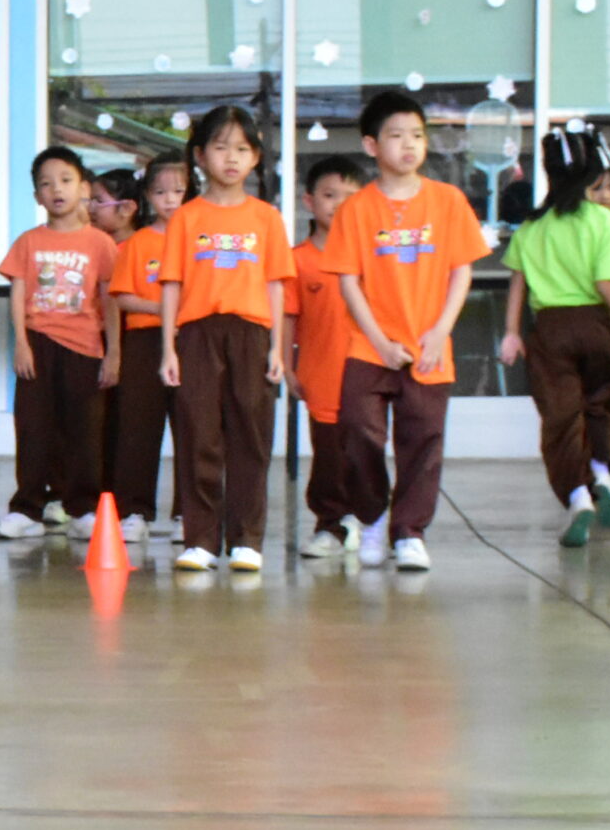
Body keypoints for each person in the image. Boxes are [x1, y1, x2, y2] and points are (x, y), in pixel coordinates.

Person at [328, 89, 489, 573]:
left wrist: (440, 332)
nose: (409, 145)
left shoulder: (448, 201)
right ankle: (372, 517)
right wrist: (379, 341)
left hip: (428, 345)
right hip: (369, 345)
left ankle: (409, 533)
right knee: (358, 432)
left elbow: (462, 271)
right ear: (372, 145)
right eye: (396, 136)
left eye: (417, 135)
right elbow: (348, 281)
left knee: (423, 442)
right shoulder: (356, 209)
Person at [158, 106, 292, 574]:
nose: (231, 158)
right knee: (199, 435)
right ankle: (200, 540)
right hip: (197, 333)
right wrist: (168, 347)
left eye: (242, 149)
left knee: (251, 436)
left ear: (255, 157)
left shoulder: (267, 218)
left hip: (252, 333)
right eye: (220, 147)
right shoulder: (186, 218)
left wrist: (277, 347)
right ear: (199, 156)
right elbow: (171, 284)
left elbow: (276, 284)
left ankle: (246, 540)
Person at [500, 123, 610, 545]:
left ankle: (576, 495)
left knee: (560, 417)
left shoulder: (532, 227)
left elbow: (518, 283)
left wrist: (511, 332)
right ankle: (604, 472)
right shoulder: (605, 223)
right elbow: (607, 285)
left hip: (549, 330)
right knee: (601, 403)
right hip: (598, 326)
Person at [0, 148, 118, 541]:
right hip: (39, 343)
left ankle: (83, 508)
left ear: (83, 188)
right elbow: (18, 294)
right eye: (45, 184)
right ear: (37, 196)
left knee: (84, 431)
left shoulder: (100, 243)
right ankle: (26, 509)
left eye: (65, 180)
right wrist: (21, 343)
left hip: (85, 347)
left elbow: (110, 301)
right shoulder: (29, 241)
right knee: (33, 428)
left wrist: (113, 353)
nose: (56, 190)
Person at [106, 158, 188, 543]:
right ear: (147, 196)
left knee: (192, 428)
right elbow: (121, 296)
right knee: (138, 429)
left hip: (189, 341)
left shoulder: (199, 240)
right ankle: (134, 511)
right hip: (144, 341)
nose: (170, 200)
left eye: (178, 191)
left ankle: (188, 512)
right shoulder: (138, 243)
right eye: (160, 192)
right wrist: (162, 308)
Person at [289, 156, 366, 558]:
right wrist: (286, 366)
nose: (339, 204)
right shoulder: (297, 259)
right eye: (330, 195)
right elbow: (287, 317)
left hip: (369, 372)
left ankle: (371, 521)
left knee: (366, 452)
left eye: (350, 196)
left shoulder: (372, 258)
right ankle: (331, 525)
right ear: (309, 201)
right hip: (321, 375)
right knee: (329, 456)